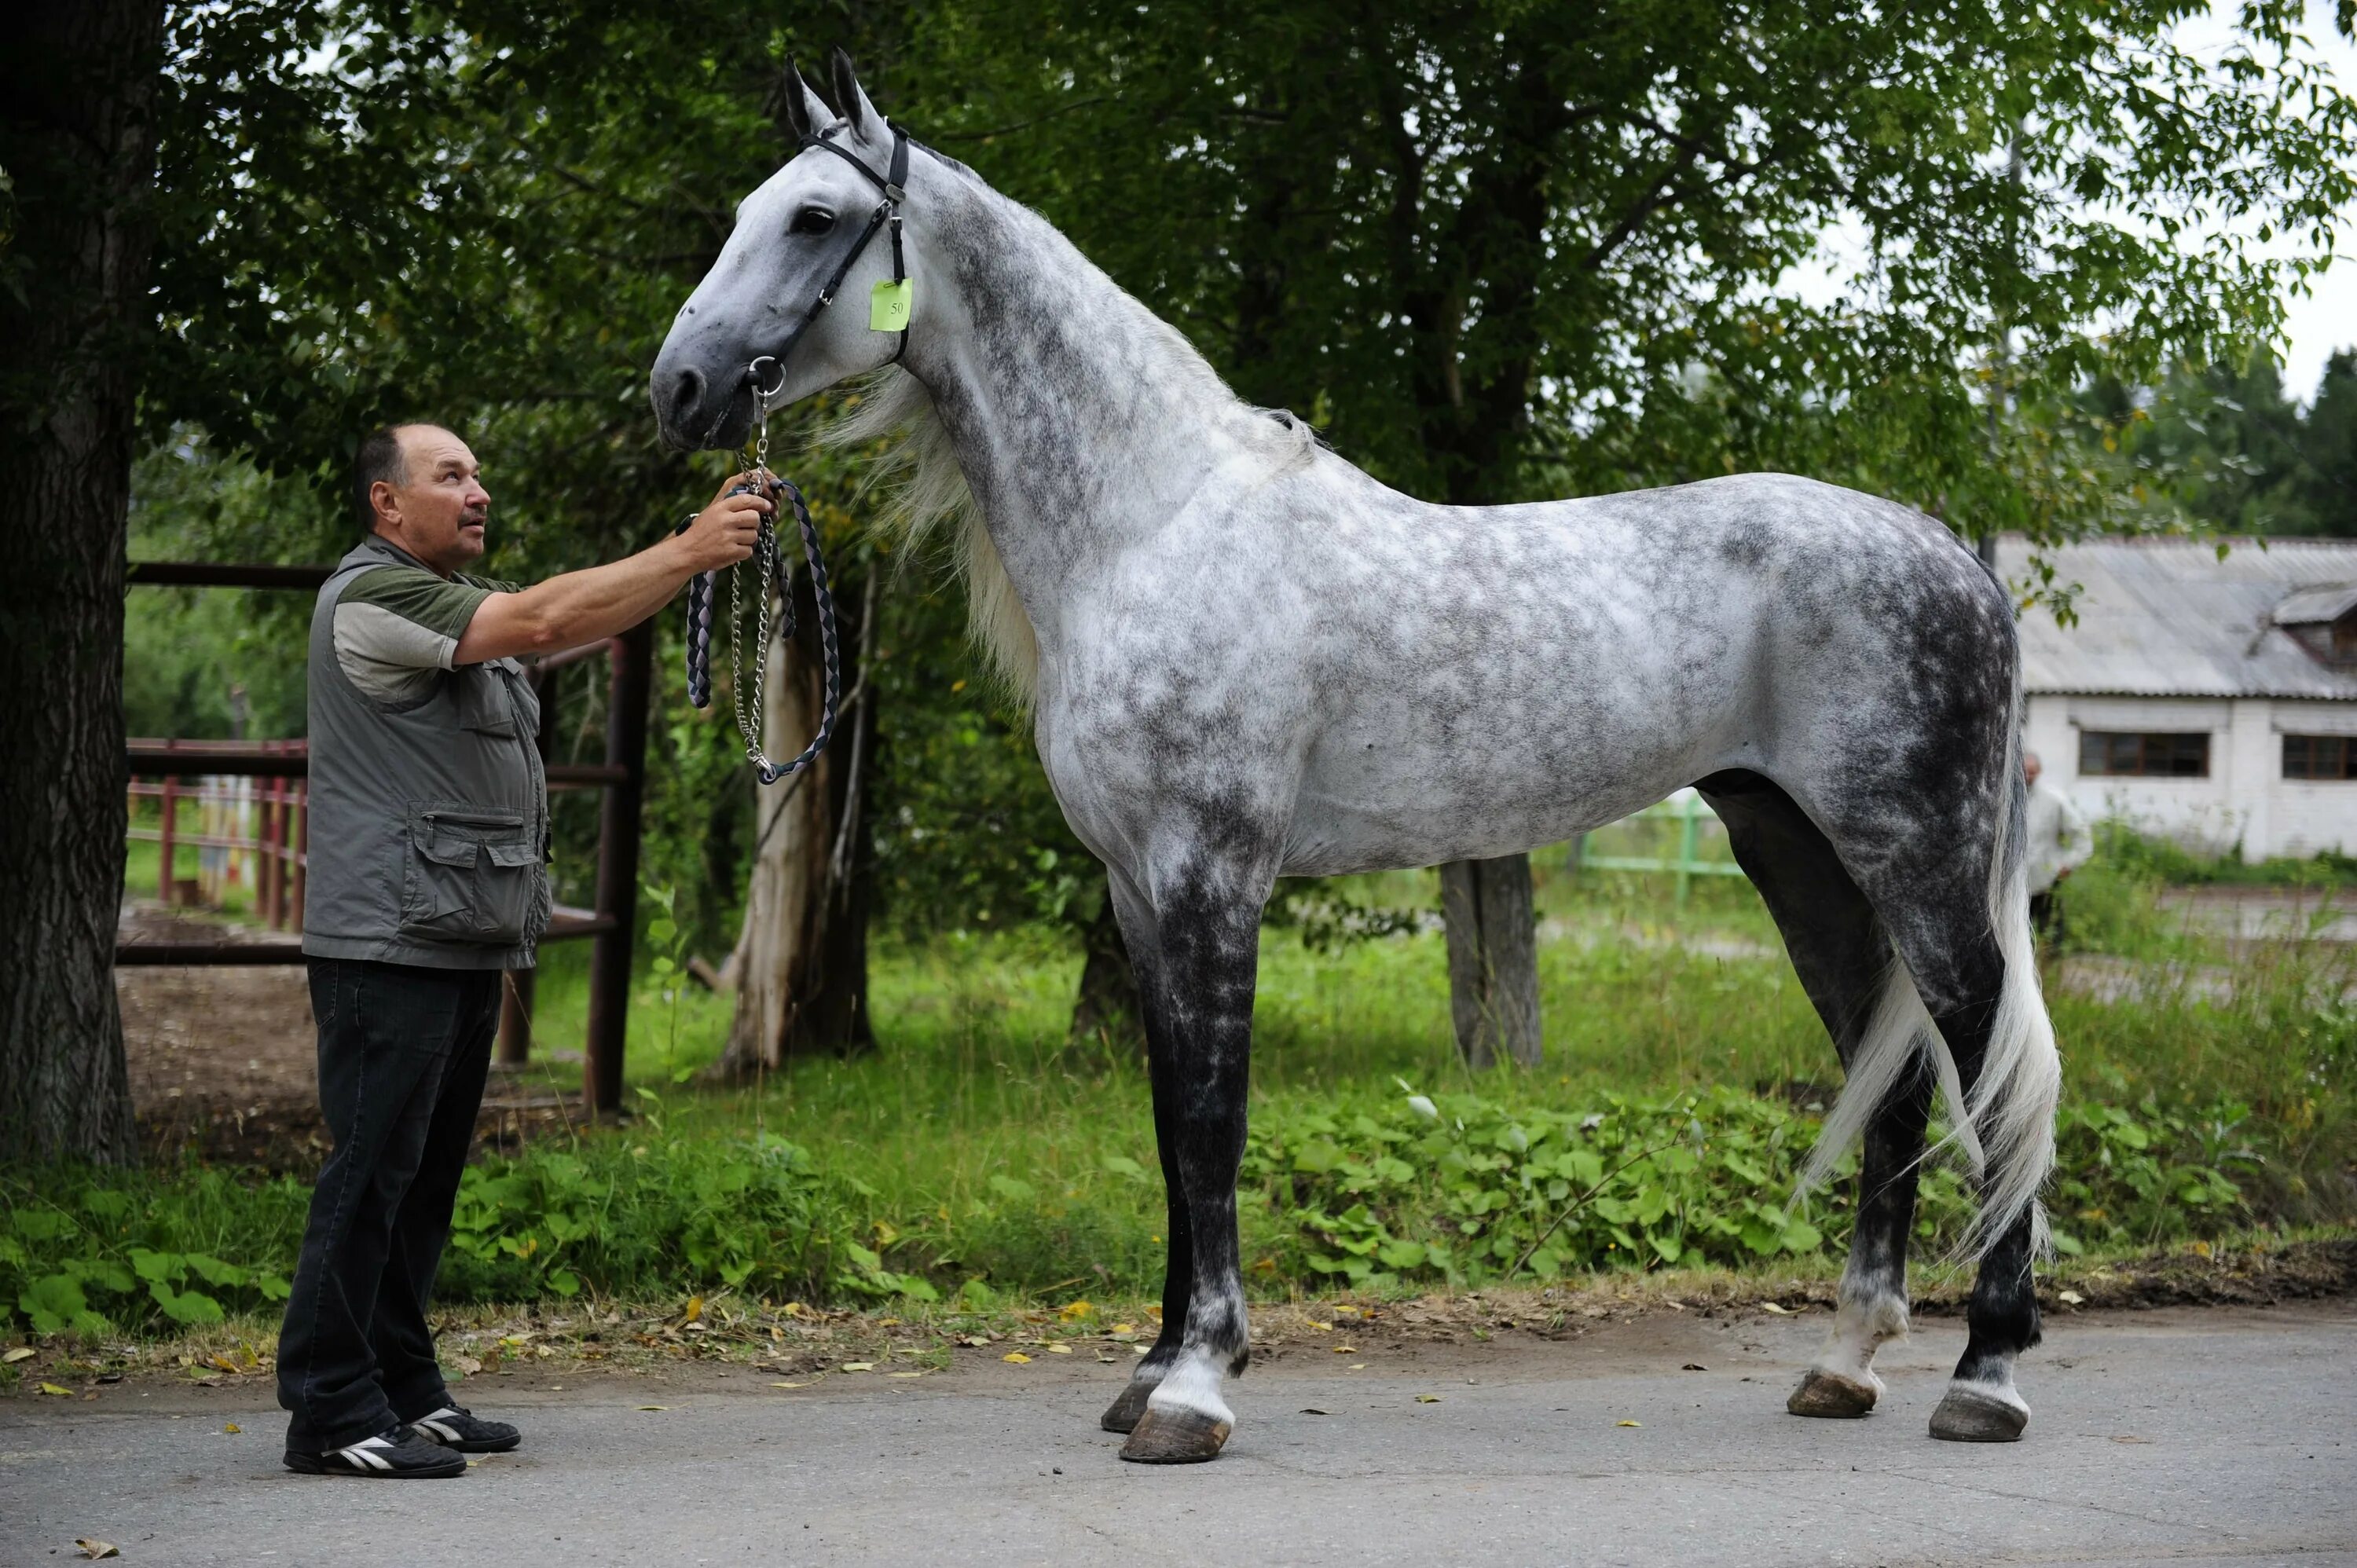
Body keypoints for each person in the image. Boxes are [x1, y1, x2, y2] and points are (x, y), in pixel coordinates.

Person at [278, 423, 764, 1478]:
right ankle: (327, 1407)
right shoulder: (377, 597)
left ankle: (404, 1387)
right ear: (386, 505)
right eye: (449, 476)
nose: (476, 491)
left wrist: (697, 550)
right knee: (369, 1176)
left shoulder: (446, 601)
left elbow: (566, 617)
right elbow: (544, 614)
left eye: (478, 473)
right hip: (386, 945)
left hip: (450, 937)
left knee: (423, 1180)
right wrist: (688, 549)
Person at [2023, 749, 2093, 947]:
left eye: (2032, 771)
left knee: (2051, 938)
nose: (2028, 776)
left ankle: (2051, 972)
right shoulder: (2005, 800)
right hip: (2015, 886)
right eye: (2024, 771)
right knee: (2017, 942)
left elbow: (2082, 837)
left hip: (2047, 880)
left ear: (2040, 771)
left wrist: (2068, 864)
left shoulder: (2054, 800)